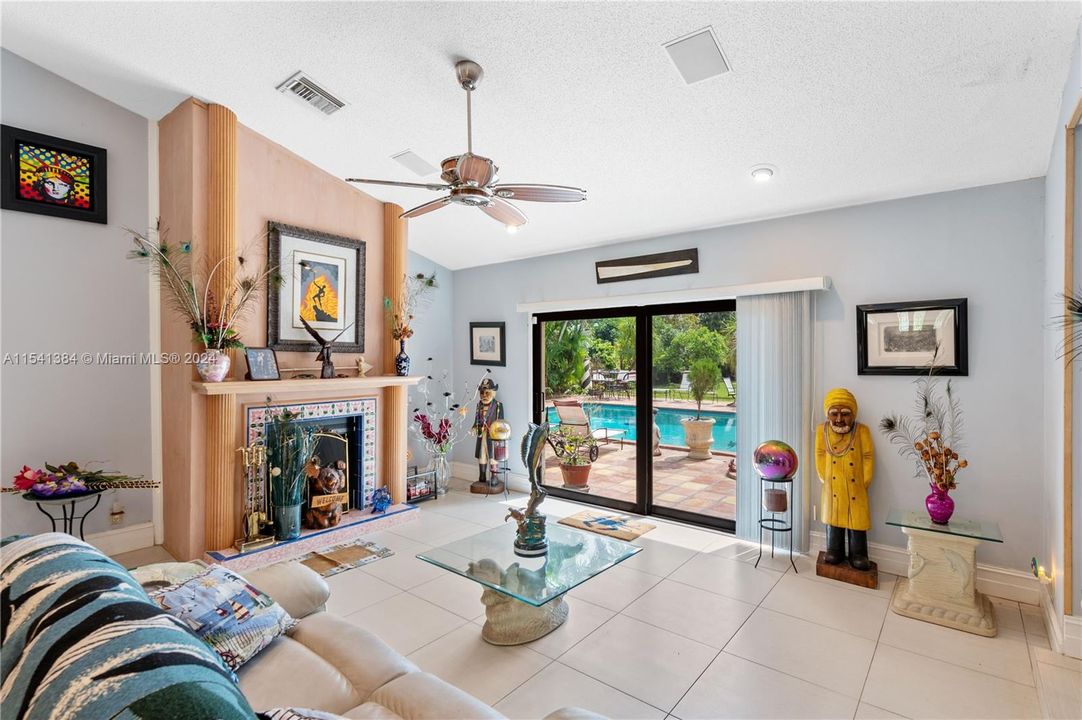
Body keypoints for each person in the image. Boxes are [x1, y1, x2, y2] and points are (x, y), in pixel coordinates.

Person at [814, 388, 874, 570]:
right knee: (834, 518)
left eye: (845, 414)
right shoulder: (821, 430)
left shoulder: (862, 431)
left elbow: (868, 455)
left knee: (856, 521)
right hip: (833, 487)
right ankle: (834, 550)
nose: (839, 419)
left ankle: (858, 554)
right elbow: (819, 453)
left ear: (853, 413)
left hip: (856, 487)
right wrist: (824, 477)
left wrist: (865, 480)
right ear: (828, 414)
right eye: (834, 414)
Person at [472, 377, 504, 484]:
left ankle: (494, 476)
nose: (484, 395)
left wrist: (497, 433)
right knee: (482, 455)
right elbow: (476, 419)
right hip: (482, 434)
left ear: (493, 393)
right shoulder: (479, 405)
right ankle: (482, 475)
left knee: (492, 455)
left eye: (487, 392)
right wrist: (474, 427)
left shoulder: (498, 406)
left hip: (493, 435)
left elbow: (501, 422)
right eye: (482, 392)